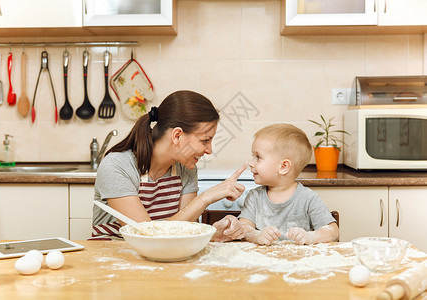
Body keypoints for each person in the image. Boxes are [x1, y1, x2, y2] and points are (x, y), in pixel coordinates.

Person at [91, 90, 246, 241]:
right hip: (114, 256)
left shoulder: (185, 169)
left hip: (162, 256)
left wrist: (212, 235)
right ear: (177, 135)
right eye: (205, 140)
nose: (209, 150)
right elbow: (146, 235)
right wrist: (205, 198)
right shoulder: (118, 166)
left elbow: (182, 231)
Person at [238, 123, 339, 245]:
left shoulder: (308, 198)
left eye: (258, 157)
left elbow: (333, 232)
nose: (251, 163)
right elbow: (243, 227)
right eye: (253, 156)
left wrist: (309, 237)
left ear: (284, 166)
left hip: (299, 262)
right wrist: (257, 235)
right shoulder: (254, 197)